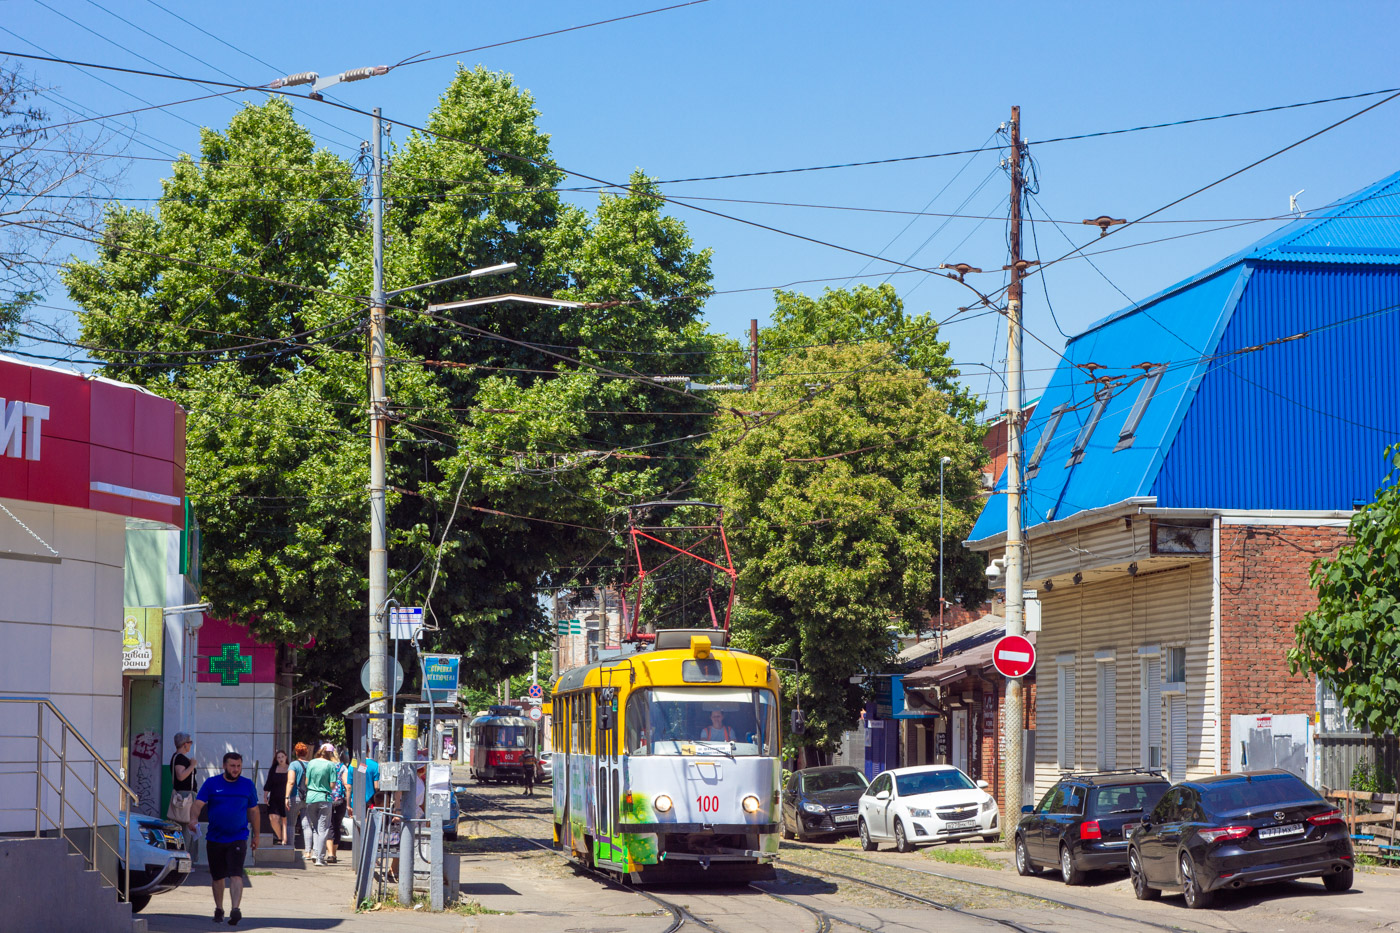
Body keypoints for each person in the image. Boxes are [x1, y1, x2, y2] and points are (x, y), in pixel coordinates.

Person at [192, 751, 259, 926]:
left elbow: (254, 811)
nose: (236, 769)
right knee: (218, 877)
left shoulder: (247, 785)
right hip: (215, 838)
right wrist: (193, 819)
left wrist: (257, 835)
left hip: (238, 837)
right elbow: (198, 804)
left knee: (236, 874)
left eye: (239, 766)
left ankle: (235, 909)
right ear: (224, 766)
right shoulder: (212, 783)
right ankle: (219, 908)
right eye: (232, 766)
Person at [303, 743, 338, 866]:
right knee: (323, 829)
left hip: (311, 798)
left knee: (316, 827)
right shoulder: (331, 765)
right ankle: (320, 858)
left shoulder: (311, 763)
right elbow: (332, 785)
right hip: (324, 797)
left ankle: (315, 852)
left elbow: (307, 782)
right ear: (330, 754)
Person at [167, 733, 198, 846]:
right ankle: (186, 851)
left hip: (184, 796)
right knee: (187, 827)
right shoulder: (180, 758)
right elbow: (180, 776)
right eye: (190, 743)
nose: (190, 745)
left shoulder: (177, 757)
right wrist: (192, 765)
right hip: (185, 797)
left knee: (187, 827)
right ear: (185, 744)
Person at [284, 743, 310, 858]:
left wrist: (286, 797)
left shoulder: (293, 765)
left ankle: (290, 849)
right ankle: (308, 852)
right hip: (308, 797)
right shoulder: (311, 765)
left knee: (291, 824)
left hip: (295, 796)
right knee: (307, 825)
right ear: (306, 753)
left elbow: (291, 781)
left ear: (296, 752)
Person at [326, 749, 350, 863]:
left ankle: (330, 854)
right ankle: (334, 853)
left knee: (328, 825)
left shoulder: (325, 766)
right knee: (337, 825)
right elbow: (347, 786)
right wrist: (348, 803)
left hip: (327, 798)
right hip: (340, 800)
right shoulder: (342, 767)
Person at [262, 750, 290, 846]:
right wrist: (265, 795)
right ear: (276, 759)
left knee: (284, 819)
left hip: (286, 797)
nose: (281, 759)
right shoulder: (273, 769)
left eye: (282, 757)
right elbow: (269, 783)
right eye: (278, 757)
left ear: (286, 757)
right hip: (274, 796)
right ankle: (279, 837)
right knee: (273, 818)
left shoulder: (290, 768)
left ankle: (284, 840)